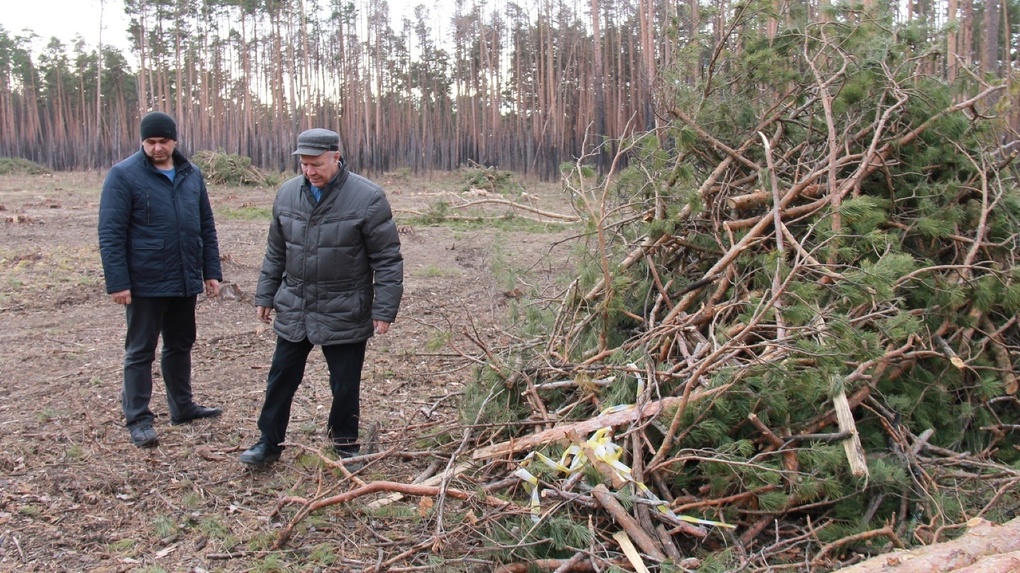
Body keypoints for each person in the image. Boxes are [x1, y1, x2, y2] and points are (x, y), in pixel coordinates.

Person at [239, 128, 403, 466]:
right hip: (296, 303)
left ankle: (345, 444)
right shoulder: (286, 195)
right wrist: (265, 294)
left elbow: (386, 259)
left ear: (335, 157)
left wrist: (384, 308)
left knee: (345, 383)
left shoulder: (368, 198)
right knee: (281, 377)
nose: (310, 171)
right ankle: (268, 442)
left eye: (317, 164)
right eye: (304, 164)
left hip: (345, 305)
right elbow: (275, 252)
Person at [98, 111, 224, 448]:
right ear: (143, 142)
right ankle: (138, 418)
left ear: (174, 141)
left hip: (184, 279)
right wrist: (118, 281)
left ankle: (182, 407)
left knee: (181, 344)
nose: (156, 148)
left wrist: (211, 271)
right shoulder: (123, 175)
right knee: (140, 351)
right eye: (150, 142)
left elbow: (205, 226)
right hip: (144, 281)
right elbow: (110, 233)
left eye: (162, 141)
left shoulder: (191, 174)